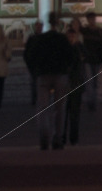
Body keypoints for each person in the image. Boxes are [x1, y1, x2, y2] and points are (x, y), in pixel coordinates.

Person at [25, 13, 73, 150]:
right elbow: (70, 57)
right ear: (58, 23)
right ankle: (58, 138)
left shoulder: (40, 39)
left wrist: (34, 72)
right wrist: (67, 71)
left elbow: (30, 56)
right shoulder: (62, 39)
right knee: (60, 109)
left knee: (42, 108)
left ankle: (44, 137)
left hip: (43, 75)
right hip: (60, 75)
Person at [81, 12, 102, 111]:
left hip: (97, 60)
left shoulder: (100, 31)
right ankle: (91, 101)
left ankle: (92, 99)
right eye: (90, 19)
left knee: (95, 82)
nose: (92, 21)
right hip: (88, 60)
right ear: (88, 20)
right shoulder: (84, 31)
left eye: (93, 19)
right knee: (90, 81)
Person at [64, 26, 87, 146]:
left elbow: (84, 58)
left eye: (72, 36)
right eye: (69, 36)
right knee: (63, 113)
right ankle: (62, 136)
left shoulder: (79, 48)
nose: (71, 38)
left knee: (74, 113)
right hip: (65, 84)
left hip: (76, 84)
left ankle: (73, 137)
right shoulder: (63, 48)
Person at [24, 20, 44, 105]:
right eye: (38, 26)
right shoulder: (32, 38)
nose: (39, 28)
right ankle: (35, 98)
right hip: (34, 64)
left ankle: (40, 98)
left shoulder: (44, 38)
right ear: (35, 27)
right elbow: (26, 52)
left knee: (41, 83)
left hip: (42, 64)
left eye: (40, 26)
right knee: (34, 82)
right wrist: (29, 63)